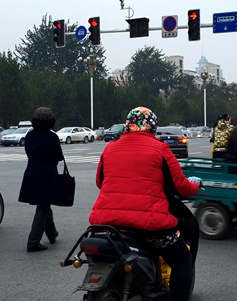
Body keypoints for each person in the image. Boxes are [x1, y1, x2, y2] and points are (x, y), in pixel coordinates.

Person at [89, 106, 201, 301]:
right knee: (182, 260)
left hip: (107, 223)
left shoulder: (110, 148)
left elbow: (100, 182)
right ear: (152, 126)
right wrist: (196, 184)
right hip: (150, 225)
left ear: (127, 125)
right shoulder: (160, 149)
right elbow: (182, 187)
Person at [18, 107, 64, 253]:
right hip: (47, 173)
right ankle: (33, 241)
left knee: (44, 203)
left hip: (32, 172)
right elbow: (59, 156)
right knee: (43, 206)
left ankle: (52, 234)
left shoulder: (30, 135)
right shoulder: (51, 137)